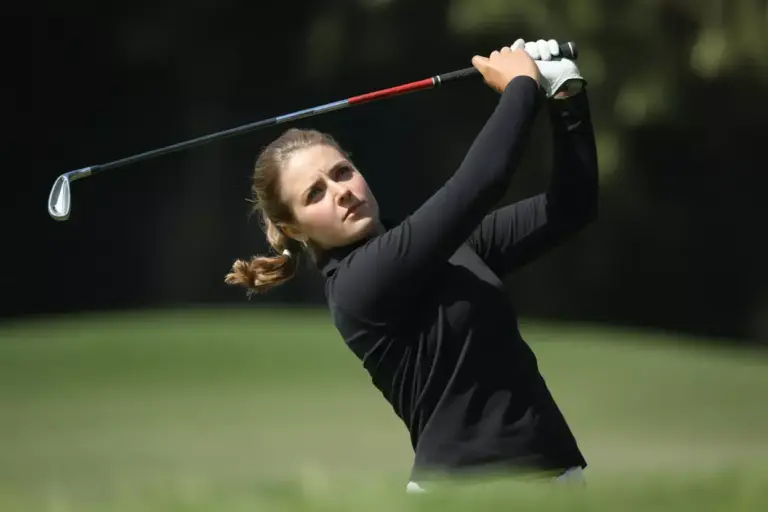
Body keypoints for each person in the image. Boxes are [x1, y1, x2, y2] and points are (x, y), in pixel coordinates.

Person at [225, 38, 598, 491]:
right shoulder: (358, 285)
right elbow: (481, 181)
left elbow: (570, 208)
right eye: (314, 193)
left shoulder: (443, 248)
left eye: (342, 172)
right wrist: (520, 84)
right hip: (466, 492)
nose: (340, 190)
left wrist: (566, 100)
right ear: (295, 229)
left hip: (557, 474)